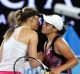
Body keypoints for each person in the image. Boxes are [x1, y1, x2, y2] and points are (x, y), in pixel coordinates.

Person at [0, 7, 41, 74]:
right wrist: (44, 57)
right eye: (37, 19)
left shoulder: (9, 32)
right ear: (31, 19)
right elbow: (33, 64)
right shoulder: (32, 34)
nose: (39, 22)